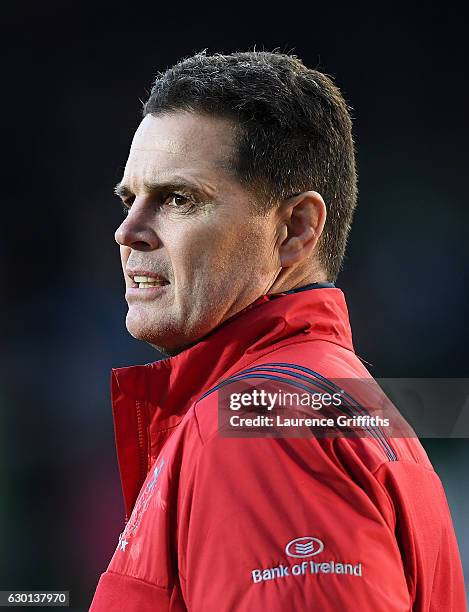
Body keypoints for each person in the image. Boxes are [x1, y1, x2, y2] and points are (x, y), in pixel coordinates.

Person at [90, 51, 465, 611]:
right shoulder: (330, 396)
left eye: (178, 199)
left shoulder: (262, 427)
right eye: (129, 199)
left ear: (295, 230)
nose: (129, 231)